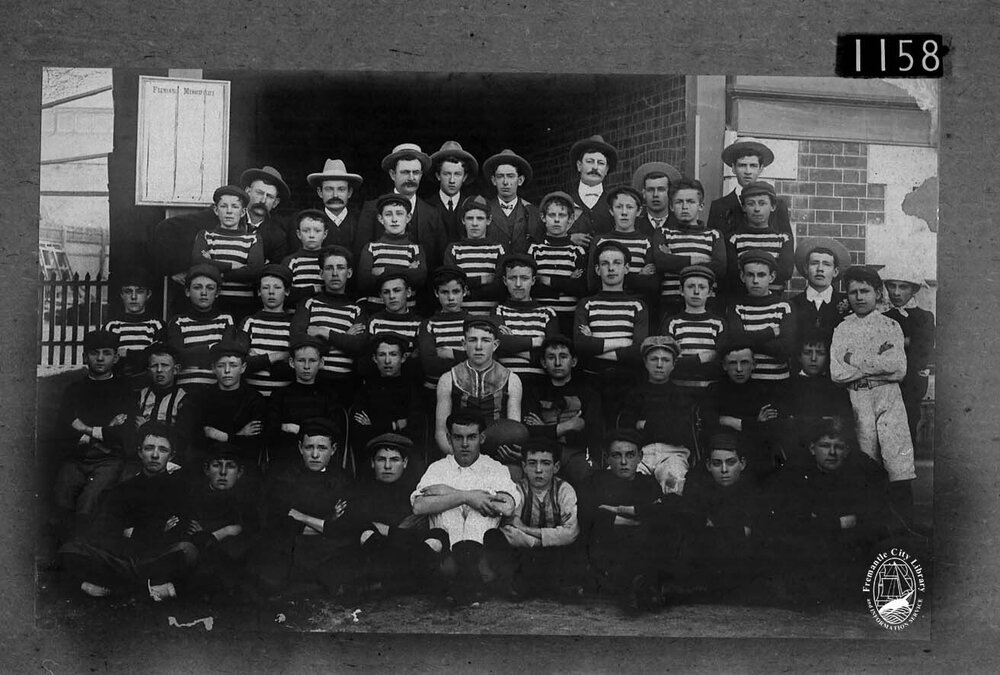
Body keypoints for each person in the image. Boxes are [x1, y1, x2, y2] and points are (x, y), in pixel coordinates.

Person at [764, 418, 897, 605]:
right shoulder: (796, 473)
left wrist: (820, 522)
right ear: (812, 449)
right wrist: (839, 522)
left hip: (848, 549)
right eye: (825, 446)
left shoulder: (862, 473)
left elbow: (873, 519)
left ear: (847, 450)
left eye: (839, 447)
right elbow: (790, 520)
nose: (832, 453)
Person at [57, 422, 191, 601]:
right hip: (125, 557)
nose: (155, 455)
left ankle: (115, 588)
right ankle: (148, 589)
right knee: (70, 548)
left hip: (159, 555)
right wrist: (156, 528)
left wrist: (134, 532)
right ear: (139, 452)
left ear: (171, 455)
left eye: (163, 450)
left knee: (187, 551)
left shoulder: (179, 488)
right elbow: (109, 530)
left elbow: (178, 530)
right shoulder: (124, 489)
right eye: (149, 448)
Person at [830, 266, 916, 526]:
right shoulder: (842, 329)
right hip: (858, 399)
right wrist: (878, 359)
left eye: (865, 291)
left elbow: (898, 368)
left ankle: (904, 526)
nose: (859, 297)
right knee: (866, 462)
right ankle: (871, 525)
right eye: (853, 292)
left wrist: (853, 359)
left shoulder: (891, 325)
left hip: (888, 396)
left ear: (877, 293)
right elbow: (837, 373)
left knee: (897, 462)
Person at [411, 410, 519, 605]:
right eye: (458, 437)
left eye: (472, 437)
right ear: (449, 438)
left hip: (481, 552)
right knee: (451, 510)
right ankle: (462, 579)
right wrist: (466, 497)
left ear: (482, 437)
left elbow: (508, 507)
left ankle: (466, 579)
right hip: (446, 553)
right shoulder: (438, 468)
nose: (465, 444)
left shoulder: (494, 468)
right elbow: (418, 506)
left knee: (479, 512)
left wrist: (448, 493)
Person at [249, 418, 354, 598]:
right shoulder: (283, 478)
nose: (315, 455)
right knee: (270, 577)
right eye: (309, 447)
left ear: (333, 450)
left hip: (326, 546)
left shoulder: (342, 479)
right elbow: (278, 520)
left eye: (322, 448)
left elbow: (343, 526)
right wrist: (326, 522)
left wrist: (301, 516)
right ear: (300, 448)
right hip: (292, 543)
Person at [51, 330, 135, 542]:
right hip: (77, 456)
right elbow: (63, 427)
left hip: (109, 459)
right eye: (94, 353)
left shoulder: (125, 389)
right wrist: (105, 428)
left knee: (89, 501)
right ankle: (62, 555)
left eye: (106, 353)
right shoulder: (74, 389)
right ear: (84, 357)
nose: (100, 358)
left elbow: (122, 432)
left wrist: (85, 429)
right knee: (62, 497)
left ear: (115, 358)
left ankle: (83, 552)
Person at [577, 430, 672, 613]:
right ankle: (633, 591)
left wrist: (620, 512)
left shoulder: (648, 484)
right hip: (608, 552)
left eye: (630, 455)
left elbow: (661, 513)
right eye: (616, 456)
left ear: (640, 457)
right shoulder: (596, 481)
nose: (623, 462)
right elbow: (590, 517)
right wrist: (635, 520)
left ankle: (643, 589)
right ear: (608, 459)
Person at [346, 434, 448, 595]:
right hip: (384, 551)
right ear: (372, 463)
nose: (387, 466)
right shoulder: (361, 491)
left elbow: (420, 528)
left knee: (438, 537)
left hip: (406, 547)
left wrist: (389, 531)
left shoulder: (416, 490)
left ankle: (391, 583)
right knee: (367, 535)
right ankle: (411, 582)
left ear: (405, 463)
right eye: (381, 459)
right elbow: (362, 527)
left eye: (394, 460)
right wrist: (399, 532)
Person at [492, 439, 582, 598]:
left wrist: (526, 530)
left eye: (546, 463)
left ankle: (550, 587)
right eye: (532, 463)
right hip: (527, 555)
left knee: (570, 552)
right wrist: (543, 540)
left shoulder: (564, 490)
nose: (538, 470)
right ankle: (546, 587)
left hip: (556, 555)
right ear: (524, 467)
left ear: (556, 467)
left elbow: (570, 532)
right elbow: (510, 531)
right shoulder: (517, 490)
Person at [679, 431, 764, 597]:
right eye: (717, 463)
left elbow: (753, 533)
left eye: (731, 462)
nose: (724, 470)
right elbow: (693, 531)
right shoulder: (700, 488)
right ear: (709, 465)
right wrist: (736, 530)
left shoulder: (753, 490)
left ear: (743, 463)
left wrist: (715, 528)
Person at [574, 240, 649, 427]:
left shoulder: (637, 305)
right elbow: (581, 346)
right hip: (593, 378)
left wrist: (596, 342)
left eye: (617, 263)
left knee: (624, 428)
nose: (611, 268)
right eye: (605, 264)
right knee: (596, 430)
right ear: (598, 270)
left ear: (626, 268)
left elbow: (639, 348)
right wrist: (624, 341)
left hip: (628, 378)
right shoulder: (587, 304)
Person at [434, 317, 524, 461]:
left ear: (495, 345)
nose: (479, 346)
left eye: (486, 340)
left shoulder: (512, 380)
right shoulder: (448, 379)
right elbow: (440, 431)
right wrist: (456, 457)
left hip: (497, 455)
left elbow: (514, 430)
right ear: (464, 344)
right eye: (473, 340)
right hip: (456, 454)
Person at [290, 245, 368, 404]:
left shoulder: (357, 310)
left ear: (349, 273)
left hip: (345, 385)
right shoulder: (309, 303)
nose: (334, 273)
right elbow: (298, 340)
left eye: (340, 268)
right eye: (329, 268)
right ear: (321, 273)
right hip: (313, 383)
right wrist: (344, 338)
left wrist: (323, 332)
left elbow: (359, 346)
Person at [618, 335, 696, 495]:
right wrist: (664, 425)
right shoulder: (634, 394)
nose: (659, 365)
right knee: (623, 485)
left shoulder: (681, 395)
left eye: (666, 360)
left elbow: (680, 433)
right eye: (654, 359)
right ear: (646, 363)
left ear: (674, 364)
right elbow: (626, 428)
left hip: (673, 454)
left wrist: (645, 425)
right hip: (640, 454)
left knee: (673, 483)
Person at [180, 332, 267, 470]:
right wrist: (239, 436)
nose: (227, 371)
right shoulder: (200, 399)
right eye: (221, 365)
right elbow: (193, 439)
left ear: (243, 368)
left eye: (233, 365)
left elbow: (254, 444)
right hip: (206, 464)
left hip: (241, 465)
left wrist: (221, 436)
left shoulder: (255, 400)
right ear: (213, 368)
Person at [522, 335, 601, 488]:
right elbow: (529, 430)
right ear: (544, 362)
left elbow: (592, 431)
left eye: (563, 357)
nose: (557, 363)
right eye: (551, 357)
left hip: (576, 453)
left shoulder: (588, 391)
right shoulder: (534, 390)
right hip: (542, 453)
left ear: (574, 361)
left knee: (587, 474)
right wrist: (568, 426)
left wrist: (545, 428)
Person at [699, 343, 786, 480]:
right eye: (733, 363)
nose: (739, 369)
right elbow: (708, 422)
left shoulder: (764, 392)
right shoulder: (714, 390)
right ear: (724, 366)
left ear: (754, 364)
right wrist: (753, 423)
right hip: (723, 456)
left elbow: (769, 430)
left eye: (744, 363)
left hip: (755, 456)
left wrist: (727, 420)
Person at [356, 143, 447, 271]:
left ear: (421, 175)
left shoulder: (432, 213)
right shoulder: (372, 209)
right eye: (405, 172)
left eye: (416, 172)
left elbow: (440, 259)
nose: (411, 178)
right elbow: (360, 257)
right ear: (393, 174)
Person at [264, 335, 343, 471]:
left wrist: (290, 428)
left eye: (312, 361)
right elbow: (270, 430)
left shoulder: (329, 395)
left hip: (318, 461)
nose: (306, 366)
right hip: (285, 461)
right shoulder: (280, 395)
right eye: (301, 360)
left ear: (321, 362)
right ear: (291, 362)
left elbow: (334, 430)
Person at [654, 177, 727, 320]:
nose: (685, 207)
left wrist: (675, 260)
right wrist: (698, 259)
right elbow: (661, 262)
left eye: (691, 202)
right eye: (679, 202)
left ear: (701, 205)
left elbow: (720, 267)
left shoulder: (713, 235)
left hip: (706, 304)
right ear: (671, 206)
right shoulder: (663, 233)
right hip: (671, 303)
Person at [350, 333, 425, 470]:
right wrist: (396, 425)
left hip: (405, 456)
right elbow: (359, 431)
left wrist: (375, 426)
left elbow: (416, 429)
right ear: (374, 358)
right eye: (382, 355)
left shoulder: (412, 390)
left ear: (403, 358)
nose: (387, 361)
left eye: (393, 354)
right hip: (373, 456)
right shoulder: (366, 390)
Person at [191, 184, 265, 321]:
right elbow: (198, 262)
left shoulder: (252, 238)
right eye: (224, 206)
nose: (229, 211)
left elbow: (254, 272)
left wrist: (214, 268)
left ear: (243, 212)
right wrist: (232, 266)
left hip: (244, 306)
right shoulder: (206, 236)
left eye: (235, 207)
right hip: (214, 305)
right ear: (216, 209)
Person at [880, 264, 935, 444]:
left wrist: (894, 344)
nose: (896, 292)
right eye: (891, 286)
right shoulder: (882, 317)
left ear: (914, 290)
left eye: (903, 287)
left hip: (911, 386)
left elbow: (922, 351)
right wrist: (905, 341)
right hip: (883, 386)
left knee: (907, 432)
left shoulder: (924, 317)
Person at [584, 185, 664, 306]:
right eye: (619, 207)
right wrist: (638, 276)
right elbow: (593, 282)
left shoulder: (647, 242)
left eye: (630, 207)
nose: (624, 212)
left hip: (637, 306)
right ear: (611, 210)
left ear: (639, 211)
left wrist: (610, 277)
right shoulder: (600, 241)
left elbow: (652, 284)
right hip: (604, 305)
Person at [725, 249, 796, 383]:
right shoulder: (737, 307)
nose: (755, 280)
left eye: (761, 275)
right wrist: (771, 332)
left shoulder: (784, 306)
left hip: (778, 382)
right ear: (742, 276)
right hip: (747, 384)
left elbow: (786, 349)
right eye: (750, 275)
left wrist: (747, 338)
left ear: (772, 277)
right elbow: (736, 341)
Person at [491, 253, 559, 391]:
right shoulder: (499, 311)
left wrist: (511, 344)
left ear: (533, 280)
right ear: (504, 280)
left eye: (524, 278)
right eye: (512, 278)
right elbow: (497, 344)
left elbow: (552, 356)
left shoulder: (547, 313)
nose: (518, 284)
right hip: (504, 385)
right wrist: (536, 342)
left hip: (538, 386)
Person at [163, 264, 235, 390]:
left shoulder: (226, 320)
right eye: (197, 287)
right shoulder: (178, 322)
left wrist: (191, 354)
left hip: (216, 390)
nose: (203, 293)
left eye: (210, 288)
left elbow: (224, 355)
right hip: (184, 392)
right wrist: (212, 348)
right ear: (187, 291)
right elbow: (177, 357)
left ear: (217, 292)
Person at [660, 265, 727, 398]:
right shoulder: (672, 323)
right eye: (690, 287)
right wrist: (702, 358)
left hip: (711, 393)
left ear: (709, 292)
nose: (696, 292)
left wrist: (684, 362)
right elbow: (668, 364)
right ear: (681, 290)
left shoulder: (719, 324)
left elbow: (720, 364)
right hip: (678, 392)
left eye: (702, 287)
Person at [784, 329, 854, 458]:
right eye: (807, 353)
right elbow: (787, 425)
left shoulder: (836, 388)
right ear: (799, 356)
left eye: (820, 353)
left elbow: (843, 423)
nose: (813, 359)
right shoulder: (787, 387)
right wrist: (823, 421)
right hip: (796, 451)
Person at [527, 191, 589, 335]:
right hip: (539, 318)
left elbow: (580, 288)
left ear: (570, 219)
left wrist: (547, 280)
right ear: (543, 217)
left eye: (561, 216)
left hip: (569, 318)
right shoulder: (534, 250)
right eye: (551, 215)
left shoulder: (577, 251)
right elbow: (532, 287)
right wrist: (566, 283)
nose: (556, 220)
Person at [707, 137, 793, 238]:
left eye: (753, 166)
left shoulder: (777, 205)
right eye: (742, 165)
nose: (748, 171)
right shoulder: (719, 207)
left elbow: (787, 242)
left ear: (761, 168)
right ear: (733, 168)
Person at [356, 193, 427, 312]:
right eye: (388, 214)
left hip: (407, 313)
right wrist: (406, 270)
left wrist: (383, 271)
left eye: (399, 214)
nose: (394, 219)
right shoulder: (371, 248)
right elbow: (364, 281)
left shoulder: (416, 249)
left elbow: (419, 279)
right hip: (376, 311)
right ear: (380, 218)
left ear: (408, 217)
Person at [724, 181, 794, 298]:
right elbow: (733, 273)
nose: (757, 209)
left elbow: (785, 272)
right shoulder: (734, 239)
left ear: (772, 207)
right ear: (744, 207)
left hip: (774, 300)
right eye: (751, 204)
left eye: (762, 203)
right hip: (742, 299)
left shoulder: (783, 238)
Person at [417, 266, 472, 412]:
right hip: (433, 392)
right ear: (436, 293)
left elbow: (485, 360)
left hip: (469, 392)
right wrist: (465, 355)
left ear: (464, 291)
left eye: (456, 291)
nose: (451, 298)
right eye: (444, 292)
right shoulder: (428, 324)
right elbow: (430, 365)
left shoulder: (475, 323)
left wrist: (449, 353)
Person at [443, 195, 507, 316]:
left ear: (488, 220)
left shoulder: (498, 249)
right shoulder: (454, 249)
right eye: (470, 218)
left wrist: (466, 287)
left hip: (491, 317)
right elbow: (451, 285)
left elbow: (499, 288)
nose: (474, 223)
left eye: (480, 218)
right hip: (461, 317)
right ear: (463, 220)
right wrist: (483, 280)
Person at [238, 264, 294, 398]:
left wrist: (259, 361)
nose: (271, 292)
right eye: (265, 287)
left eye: (277, 287)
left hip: (283, 399)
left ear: (287, 291)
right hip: (252, 398)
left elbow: (296, 365)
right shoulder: (249, 322)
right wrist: (279, 356)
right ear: (258, 291)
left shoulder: (293, 324)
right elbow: (241, 363)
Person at [102, 268, 164, 388]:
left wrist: (128, 354)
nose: (134, 297)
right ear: (121, 295)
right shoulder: (112, 326)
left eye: (139, 291)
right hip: (120, 386)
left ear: (148, 295)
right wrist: (143, 355)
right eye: (128, 291)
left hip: (149, 386)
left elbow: (157, 358)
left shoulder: (156, 325)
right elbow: (108, 360)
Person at [135, 343, 191, 463]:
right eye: (154, 366)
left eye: (165, 365)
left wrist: (146, 427)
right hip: (141, 457)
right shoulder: (140, 396)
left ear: (176, 369)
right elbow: (132, 430)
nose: (159, 370)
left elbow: (182, 436)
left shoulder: (184, 398)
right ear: (149, 370)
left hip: (173, 459)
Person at [789, 237, 852, 344]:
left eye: (827, 264)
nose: (820, 269)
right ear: (805, 269)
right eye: (814, 263)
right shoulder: (792, 305)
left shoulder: (848, 304)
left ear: (835, 271)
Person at [481, 148, 539, 253]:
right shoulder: (484, 211)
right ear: (494, 180)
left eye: (510, 176)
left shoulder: (531, 212)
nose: (505, 182)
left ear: (520, 180)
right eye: (500, 176)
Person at [566, 134, 619, 245]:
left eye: (600, 163)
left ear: (606, 169)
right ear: (579, 166)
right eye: (590, 161)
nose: (595, 167)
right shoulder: (565, 201)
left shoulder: (615, 202)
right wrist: (568, 239)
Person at [304, 158, 364, 253]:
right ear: (320, 192)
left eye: (341, 189)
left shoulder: (361, 221)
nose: (335, 195)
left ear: (349, 192)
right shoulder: (308, 223)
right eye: (329, 189)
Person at [429, 140, 480, 242]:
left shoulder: (474, 207)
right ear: (438, 175)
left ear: (464, 177)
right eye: (447, 174)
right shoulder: (427, 206)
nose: (452, 180)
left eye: (457, 174)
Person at [364, 271, 424, 358]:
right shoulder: (374, 322)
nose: (392, 296)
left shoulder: (419, 324)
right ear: (381, 295)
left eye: (397, 290)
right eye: (386, 292)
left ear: (408, 292)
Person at [240, 165, 292, 264]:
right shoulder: (230, 219)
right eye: (259, 193)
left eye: (269, 196)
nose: (263, 200)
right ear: (248, 192)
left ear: (275, 203)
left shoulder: (278, 236)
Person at [280, 209, 329, 305]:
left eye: (317, 231)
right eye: (306, 231)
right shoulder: (291, 261)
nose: (311, 235)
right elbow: (283, 293)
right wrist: (313, 289)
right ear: (298, 234)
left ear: (325, 234)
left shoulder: (329, 260)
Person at [631, 160, 682, 234]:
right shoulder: (634, 227)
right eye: (650, 190)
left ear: (670, 193)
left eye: (661, 189)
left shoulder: (680, 227)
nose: (655, 195)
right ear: (644, 193)